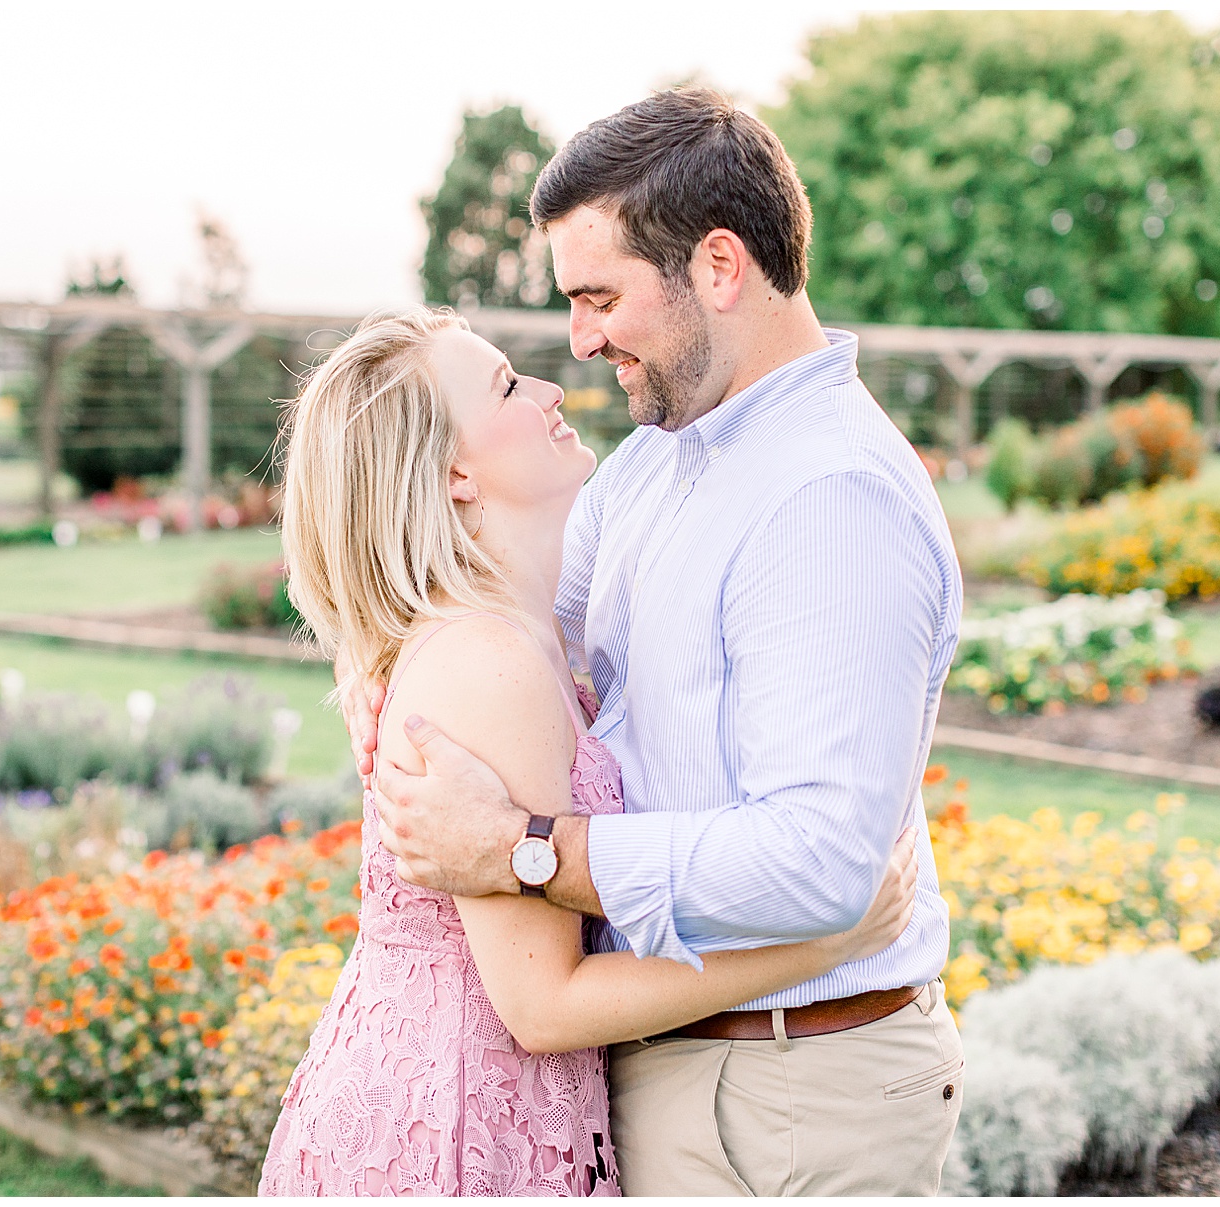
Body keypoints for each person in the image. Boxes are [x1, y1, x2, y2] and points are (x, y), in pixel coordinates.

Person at [356, 88, 967, 1196]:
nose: (581, 339)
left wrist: (521, 852)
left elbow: (822, 864)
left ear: (720, 267)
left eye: (600, 296)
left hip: (793, 1092)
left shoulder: (829, 499)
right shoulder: (648, 466)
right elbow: (534, 662)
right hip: (667, 1061)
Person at [258, 307, 920, 1196]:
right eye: (504, 385)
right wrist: (821, 941)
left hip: (487, 1103)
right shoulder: (488, 662)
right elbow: (543, 1003)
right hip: (457, 1131)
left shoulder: (522, 620)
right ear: (455, 472)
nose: (549, 385)